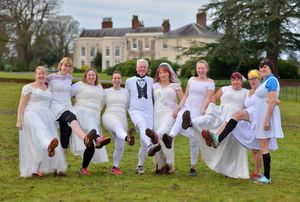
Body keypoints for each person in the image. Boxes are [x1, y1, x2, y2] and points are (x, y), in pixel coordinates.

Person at [201, 69, 278, 180]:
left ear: (259, 79)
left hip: (258, 119)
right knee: (232, 119)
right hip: (248, 120)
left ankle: (259, 173)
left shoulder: (262, 91)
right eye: (250, 79)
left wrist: (270, 110)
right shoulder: (249, 92)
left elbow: (274, 99)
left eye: (254, 78)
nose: (252, 81)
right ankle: (216, 138)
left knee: (258, 149)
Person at [46, 58, 110, 171]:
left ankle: (58, 168)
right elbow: (42, 88)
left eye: (69, 66)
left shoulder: (69, 78)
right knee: (72, 118)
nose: (66, 68)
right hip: (57, 107)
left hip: (67, 107)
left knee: (65, 138)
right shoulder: (51, 77)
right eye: (65, 65)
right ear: (60, 65)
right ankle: (86, 138)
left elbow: (67, 94)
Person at [182, 72, 249, 178]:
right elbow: (213, 98)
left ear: (241, 81)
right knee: (205, 120)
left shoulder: (246, 92)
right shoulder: (224, 89)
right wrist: (210, 105)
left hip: (234, 120)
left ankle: (228, 168)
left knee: (230, 146)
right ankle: (191, 123)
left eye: (237, 80)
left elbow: (249, 105)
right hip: (220, 114)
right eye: (233, 80)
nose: (235, 82)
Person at [162, 60, 215, 176]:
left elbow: (207, 97)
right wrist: (179, 107)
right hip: (188, 106)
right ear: (196, 69)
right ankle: (171, 137)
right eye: (198, 68)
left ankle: (193, 166)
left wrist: (203, 110)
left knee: (193, 139)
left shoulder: (210, 83)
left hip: (198, 109)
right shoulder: (191, 79)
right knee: (181, 116)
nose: (200, 70)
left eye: (202, 68)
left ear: (206, 69)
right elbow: (186, 95)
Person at [17, 66, 67, 178]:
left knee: (37, 142)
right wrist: (19, 121)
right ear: (35, 74)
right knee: (41, 133)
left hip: (46, 116)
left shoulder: (48, 87)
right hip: (31, 114)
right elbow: (21, 105)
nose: (41, 76)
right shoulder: (28, 88)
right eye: (39, 74)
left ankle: (36, 169)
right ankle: (49, 146)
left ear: (46, 76)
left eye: (43, 74)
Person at [70, 68, 111, 175]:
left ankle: (84, 169)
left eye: (93, 75)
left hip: (94, 115)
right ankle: (98, 138)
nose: (91, 77)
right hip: (80, 113)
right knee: (92, 128)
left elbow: (102, 102)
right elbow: (66, 94)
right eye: (89, 75)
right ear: (85, 76)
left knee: (90, 144)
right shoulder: (79, 85)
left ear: (96, 77)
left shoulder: (99, 87)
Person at [125, 59, 161, 175]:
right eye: (140, 67)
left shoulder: (151, 81)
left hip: (149, 112)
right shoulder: (129, 81)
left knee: (143, 139)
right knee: (143, 128)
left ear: (147, 68)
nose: (142, 69)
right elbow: (126, 98)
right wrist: (127, 114)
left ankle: (139, 166)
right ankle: (151, 146)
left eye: (144, 67)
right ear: (136, 68)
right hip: (135, 110)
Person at [146, 63, 183, 174]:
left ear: (169, 73)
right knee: (160, 140)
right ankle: (159, 165)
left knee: (162, 135)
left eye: (165, 72)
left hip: (170, 114)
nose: (162, 74)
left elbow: (183, 100)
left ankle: (170, 165)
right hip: (156, 115)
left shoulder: (175, 86)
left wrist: (177, 111)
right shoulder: (154, 86)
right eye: (160, 72)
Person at [102, 71, 135, 175]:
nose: (116, 80)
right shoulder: (106, 92)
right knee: (117, 126)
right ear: (112, 80)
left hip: (122, 117)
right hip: (109, 116)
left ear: (121, 80)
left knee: (120, 146)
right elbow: (100, 106)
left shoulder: (126, 92)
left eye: (118, 78)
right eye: (114, 78)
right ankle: (127, 138)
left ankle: (115, 167)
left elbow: (128, 106)